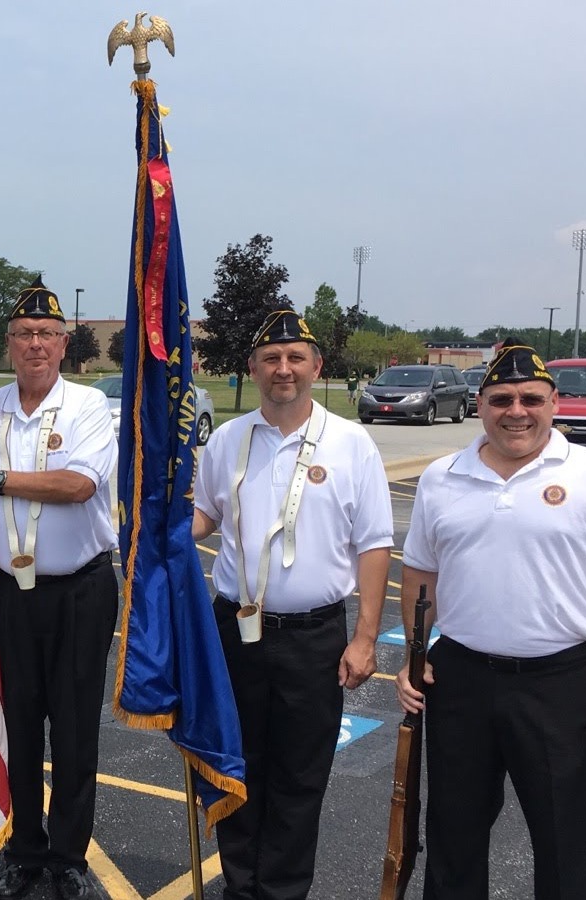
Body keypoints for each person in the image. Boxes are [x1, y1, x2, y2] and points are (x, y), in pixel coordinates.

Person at [397, 340, 586, 899]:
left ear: (553, 401)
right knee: (453, 836)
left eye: (529, 398)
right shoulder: (441, 477)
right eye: (500, 399)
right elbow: (422, 575)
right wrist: (414, 659)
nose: (515, 411)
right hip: (461, 680)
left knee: (566, 841)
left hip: (562, 685)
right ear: (479, 404)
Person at [190, 309, 394, 900]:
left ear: (316, 367)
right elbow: (205, 517)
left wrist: (365, 638)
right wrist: (163, 526)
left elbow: (375, 545)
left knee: (300, 776)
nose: (284, 369)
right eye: (271, 359)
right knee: (236, 763)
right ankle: (239, 885)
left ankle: (281, 891)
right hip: (235, 629)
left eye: (295, 358)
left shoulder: (351, 442)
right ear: (253, 368)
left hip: (313, 638)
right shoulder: (229, 439)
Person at [0, 278, 117, 900]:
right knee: (16, 721)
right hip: (8, 592)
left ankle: (69, 856)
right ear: (9, 344)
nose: (36, 345)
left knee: (75, 730)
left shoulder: (87, 406)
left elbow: (78, 485)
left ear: (65, 342)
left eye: (48, 334)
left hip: (79, 589)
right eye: (24, 335)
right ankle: (23, 853)